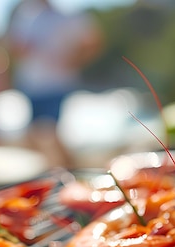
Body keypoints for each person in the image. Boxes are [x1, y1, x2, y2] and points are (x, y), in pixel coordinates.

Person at [6, 0, 104, 168]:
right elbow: (14, 47)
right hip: (31, 86)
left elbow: (93, 41)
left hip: (57, 84)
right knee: (35, 136)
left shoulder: (66, 17)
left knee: (48, 132)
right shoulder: (25, 16)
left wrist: (75, 60)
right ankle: (63, 172)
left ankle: (73, 171)